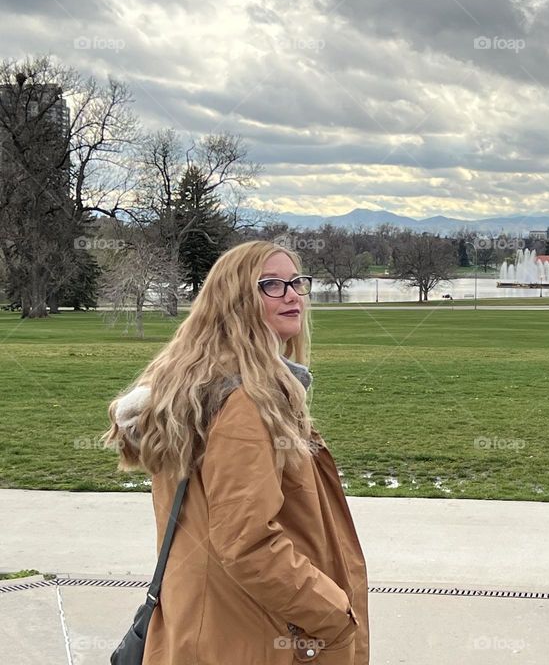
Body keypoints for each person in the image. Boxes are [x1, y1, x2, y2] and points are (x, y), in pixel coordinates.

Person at [102, 240, 369, 664]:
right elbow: (246, 541)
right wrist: (332, 613)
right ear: (234, 301)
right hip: (248, 634)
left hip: (212, 622)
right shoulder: (243, 401)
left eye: (297, 282)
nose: (292, 295)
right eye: (271, 285)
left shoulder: (201, 391)